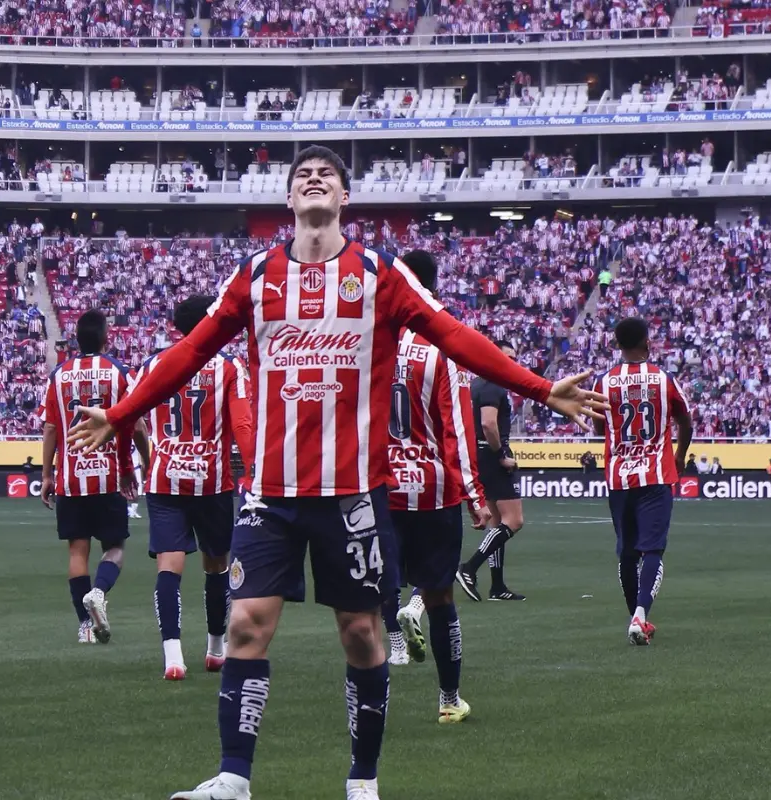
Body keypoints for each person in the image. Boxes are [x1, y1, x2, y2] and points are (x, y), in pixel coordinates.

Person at [67, 145, 604, 800]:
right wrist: (123, 414)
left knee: (359, 632)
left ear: (344, 198)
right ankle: (235, 777)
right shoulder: (255, 276)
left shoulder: (380, 274)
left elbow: (451, 334)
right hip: (269, 494)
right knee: (245, 625)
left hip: (352, 495)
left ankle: (362, 781)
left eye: (327, 175)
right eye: (302, 176)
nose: (314, 180)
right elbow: (189, 352)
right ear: (289, 201)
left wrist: (541, 388)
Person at [384, 251, 488, 725]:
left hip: (378, 490)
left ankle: (373, 700)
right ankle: (449, 700)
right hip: (432, 490)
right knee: (441, 597)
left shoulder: (368, 345)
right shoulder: (441, 349)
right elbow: (458, 432)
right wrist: (475, 496)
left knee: (370, 593)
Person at [133, 294, 256, 681]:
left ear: (176, 327)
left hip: (165, 478)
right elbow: (242, 424)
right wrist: (251, 469)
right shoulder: (228, 367)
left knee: (169, 567)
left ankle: (173, 657)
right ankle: (216, 649)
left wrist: (133, 462)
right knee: (216, 565)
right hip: (212, 483)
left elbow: (132, 418)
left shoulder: (153, 365)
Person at [40, 309, 148, 646]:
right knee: (114, 546)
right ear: (105, 338)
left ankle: (85, 626)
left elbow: (51, 428)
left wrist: (47, 475)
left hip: (72, 477)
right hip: (108, 474)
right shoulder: (118, 372)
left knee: (77, 552)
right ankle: (99, 592)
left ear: (76, 339)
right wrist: (147, 460)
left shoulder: (58, 375)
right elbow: (137, 423)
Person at [593, 317, 692, 646]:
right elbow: (685, 420)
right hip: (656, 473)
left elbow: (597, 427)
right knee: (653, 549)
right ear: (647, 343)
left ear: (616, 344)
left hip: (619, 476)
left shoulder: (604, 382)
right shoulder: (664, 379)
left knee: (627, 553)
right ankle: (640, 615)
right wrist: (679, 455)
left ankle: (635, 616)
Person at [456, 341, 526, 602]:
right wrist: (502, 456)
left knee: (497, 522)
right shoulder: (492, 385)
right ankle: (469, 567)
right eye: (507, 357)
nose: (512, 362)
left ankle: (497, 586)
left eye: (514, 358)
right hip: (491, 456)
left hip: (478, 455)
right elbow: (488, 423)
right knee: (514, 520)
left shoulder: (474, 385)